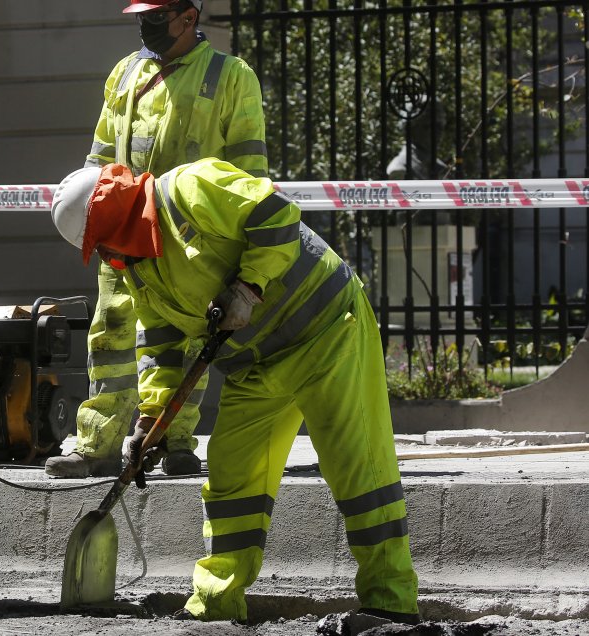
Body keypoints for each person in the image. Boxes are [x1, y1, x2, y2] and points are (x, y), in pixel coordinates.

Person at [49, 160, 420, 625]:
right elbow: (162, 344)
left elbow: (277, 214)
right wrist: (152, 419)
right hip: (255, 365)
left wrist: (247, 288)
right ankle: (215, 605)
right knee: (232, 483)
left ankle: (390, 604)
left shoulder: (190, 187)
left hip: (327, 333)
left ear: (118, 223)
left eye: (102, 246)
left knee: (359, 469)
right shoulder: (137, 268)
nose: (105, 258)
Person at [45, 0, 269, 478]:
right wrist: (91, 215)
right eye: (141, 17)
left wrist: (240, 249)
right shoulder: (126, 72)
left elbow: (249, 173)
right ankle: (96, 444)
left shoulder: (231, 77)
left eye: (155, 16)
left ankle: (173, 441)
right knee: (110, 335)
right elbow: (100, 157)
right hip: (122, 231)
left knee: (183, 340)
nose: (145, 26)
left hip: (189, 240)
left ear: (189, 17)